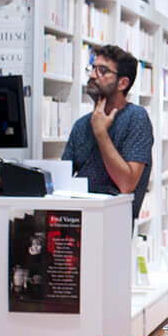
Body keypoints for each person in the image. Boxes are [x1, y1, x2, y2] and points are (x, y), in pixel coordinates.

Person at [62, 44, 153, 220]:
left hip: (113, 222)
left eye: (102, 71)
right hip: (75, 218)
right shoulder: (81, 125)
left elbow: (126, 184)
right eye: (92, 68)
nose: (92, 75)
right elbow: (63, 179)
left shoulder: (136, 117)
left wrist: (101, 133)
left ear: (123, 83)